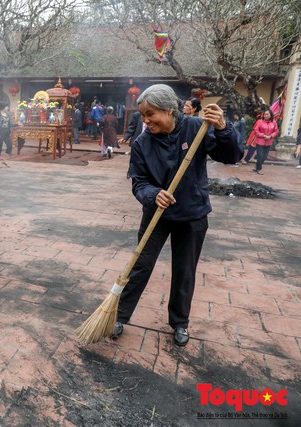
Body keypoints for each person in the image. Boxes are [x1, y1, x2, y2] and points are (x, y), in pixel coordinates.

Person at [111, 84, 241, 346]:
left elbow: (231, 156)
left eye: (151, 114)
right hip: (157, 214)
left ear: (170, 110)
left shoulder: (196, 128)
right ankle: (118, 316)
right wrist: (153, 194)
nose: (146, 121)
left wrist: (223, 129)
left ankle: (180, 322)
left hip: (192, 213)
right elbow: (139, 182)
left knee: (184, 270)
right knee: (140, 265)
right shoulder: (142, 143)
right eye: (143, 115)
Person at [252, 108, 278, 175]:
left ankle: (257, 165)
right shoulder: (259, 122)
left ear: (270, 115)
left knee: (265, 156)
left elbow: (276, 131)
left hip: (269, 142)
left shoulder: (274, 122)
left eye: (267, 114)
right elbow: (256, 130)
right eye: (265, 114)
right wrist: (263, 135)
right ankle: (259, 169)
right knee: (260, 155)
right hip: (260, 141)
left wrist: (271, 136)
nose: (265, 116)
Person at [0, 101, 12, 168]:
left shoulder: (8, 114)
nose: (7, 107)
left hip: (6, 133)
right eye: (6, 106)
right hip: (0, 133)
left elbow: (9, 124)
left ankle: (4, 160)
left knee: (9, 146)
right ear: (3, 107)